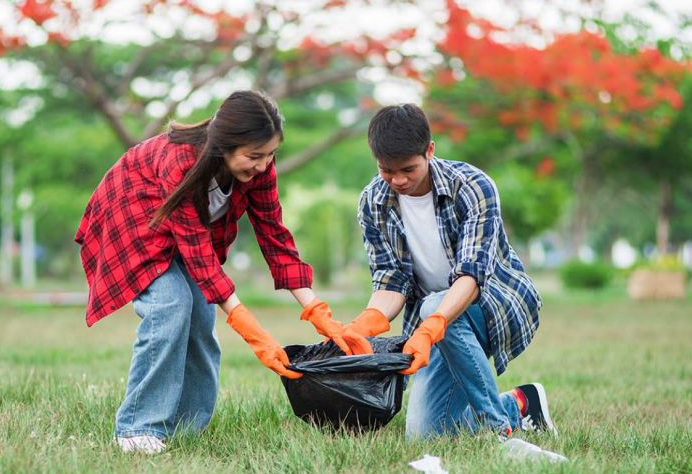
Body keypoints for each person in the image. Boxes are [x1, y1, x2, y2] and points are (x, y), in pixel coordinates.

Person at [75, 90, 371, 454]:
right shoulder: (180, 160)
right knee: (170, 305)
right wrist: (252, 330)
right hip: (136, 224)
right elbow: (197, 252)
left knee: (200, 321)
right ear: (224, 147)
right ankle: (138, 428)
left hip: (190, 236)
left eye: (271, 154)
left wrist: (318, 313)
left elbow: (274, 235)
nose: (263, 166)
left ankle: (186, 428)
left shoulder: (260, 168)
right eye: (254, 156)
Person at [342, 103, 554, 440]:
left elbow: (472, 276)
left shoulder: (472, 186)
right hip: (433, 324)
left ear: (429, 151)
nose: (398, 180)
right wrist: (363, 325)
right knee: (426, 434)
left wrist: (435, 321)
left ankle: (500, 429)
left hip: (493, 306)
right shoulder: (373, 202)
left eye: (408, 169)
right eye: (387, 170)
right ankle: (520, 404)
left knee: (432, 306)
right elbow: (390, 280)